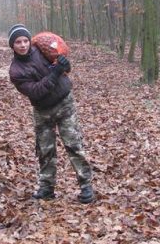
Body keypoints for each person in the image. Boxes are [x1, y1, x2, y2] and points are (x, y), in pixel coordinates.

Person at [7, 23, 95, 204]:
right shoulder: (16, 71)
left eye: (25, 40)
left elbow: (64, 67)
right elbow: (37, 91)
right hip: (43, 111)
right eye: (18, 42)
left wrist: (64, 64)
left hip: (65, 104)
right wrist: (55, 73)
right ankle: (47, 188)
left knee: (74, 145)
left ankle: (86, 186)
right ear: (12, 46)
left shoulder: (42, 48)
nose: (23, 45)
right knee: (45, 150)